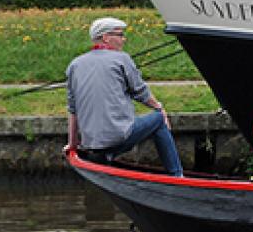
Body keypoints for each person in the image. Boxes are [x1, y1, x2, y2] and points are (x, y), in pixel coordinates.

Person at [65, 17, 183, 177]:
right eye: (120, 35)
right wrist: (159, 107)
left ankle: (106, 157)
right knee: (158, 119)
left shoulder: (74, 65)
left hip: (92, 143)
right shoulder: (122, 59)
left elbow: (73, 110)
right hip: (119, 137)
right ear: (106, 37)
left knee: (120, 135)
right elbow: (140, 92)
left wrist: (72, 144)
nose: (123, 39)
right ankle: (177, 175)